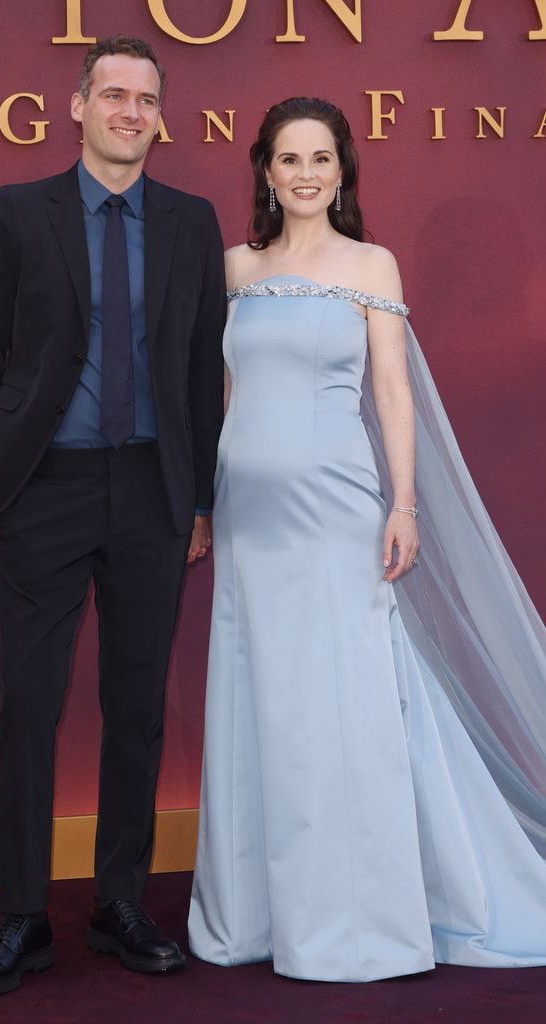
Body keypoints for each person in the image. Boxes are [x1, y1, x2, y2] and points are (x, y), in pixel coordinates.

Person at [188, 97, 546, 982]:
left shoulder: (370, 265)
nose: (305, 174)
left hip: (338, 512)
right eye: (287, 160)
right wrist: (204, 500)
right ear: (264, 174)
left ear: (342, 169)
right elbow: (224, 396)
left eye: (320, 158)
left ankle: (356, 918)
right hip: (248, 519)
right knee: (258, 697)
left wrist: (404, 506)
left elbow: (391, 394)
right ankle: (256, 913)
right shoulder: (232, 267)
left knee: (341, 707)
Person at [0, 36, 226, 996]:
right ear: (76, 106)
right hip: (47, 490)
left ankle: (118, 904)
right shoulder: (19, 212)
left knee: (136, 711)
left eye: (145, 98)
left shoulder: (192, 224)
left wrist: (200, 499)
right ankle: (20, 919)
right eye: (112, 93)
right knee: (28, 705)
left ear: (159, 115)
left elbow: (200, 368)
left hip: (154, 493)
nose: (128, 111)